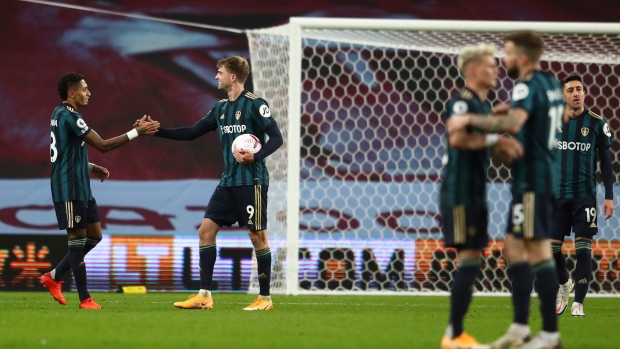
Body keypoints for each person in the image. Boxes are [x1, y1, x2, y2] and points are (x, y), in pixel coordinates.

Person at [447, 31, 565, 349]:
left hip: (533, 180)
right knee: (513, 247)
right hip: (543, 176)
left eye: (508, 53)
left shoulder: (526, 84)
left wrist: (470, 119)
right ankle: (519, 328)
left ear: (523, 58)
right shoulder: (552, 83)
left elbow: (514, 123)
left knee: (538, 250)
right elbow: (547, 117)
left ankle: (550, 334)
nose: (504, 60)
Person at [142, 56, 283, 310]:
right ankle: (204, 296)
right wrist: (158, 131)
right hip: (228, 182)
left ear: (232, 77)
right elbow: (193, 132)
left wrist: (257, 156)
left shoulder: (255, 105)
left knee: (257, 235)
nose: (216, 76)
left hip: (252, 182)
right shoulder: (219, 108)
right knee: (205, 231)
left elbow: (276, 137)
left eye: (219, 72)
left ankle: (265, 299)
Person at [41, 72, 159, 309]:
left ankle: (53, 276)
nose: (89, 93)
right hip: (69, 188)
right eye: (85, 89)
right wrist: (137, 132)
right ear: (72, 93)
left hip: (81, 186)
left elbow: (65, 154)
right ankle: (85, 299)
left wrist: (91, 166)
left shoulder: (59, 114)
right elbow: (103, 145)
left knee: (94, 236)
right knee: (77, 240)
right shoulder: (70, 116)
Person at [439, 44, 523, 349]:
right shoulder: (463, 102)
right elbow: (458, 138)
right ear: (473, 70)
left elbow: (488, 140)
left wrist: (499, 136)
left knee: (473, 260)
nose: (496, 69)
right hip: (460, 192)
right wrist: (495, 138)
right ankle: (453, 335)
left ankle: (456, 334)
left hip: (474, 191)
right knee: (470, 260)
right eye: (490, 65)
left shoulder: (482, 106)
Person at [552, 74, 615, 317]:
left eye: (580, 89)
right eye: (571, 90)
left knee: (583, 250)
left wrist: (609, 196)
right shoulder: (553, 121)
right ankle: (564, 284)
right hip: (557, 196)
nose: (577, 93)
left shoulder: (597, 122)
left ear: (584, 93)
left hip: (585, 197)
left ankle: (578, 303)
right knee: (551, 249)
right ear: (563, 95)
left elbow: (607, 163)